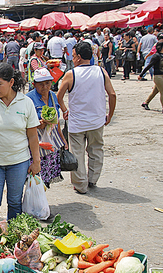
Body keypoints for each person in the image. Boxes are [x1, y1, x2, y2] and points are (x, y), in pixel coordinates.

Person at [0, 63, 41, 229]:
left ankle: (13, 236)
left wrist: (36, 161)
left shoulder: (25, 103)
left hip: (19, 162)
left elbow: (32, 135)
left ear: (11, 82)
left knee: (15, 202)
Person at [57, 41, 117, 194]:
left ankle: (81, 185)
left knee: (77, 152)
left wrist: (65, 110)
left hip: (77, 123)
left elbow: (59, 96)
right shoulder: (101, 71)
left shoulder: (71, 74)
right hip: (97, 121)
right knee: (96, 150)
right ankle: (92, 180)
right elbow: (112, 94)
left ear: (77, 57)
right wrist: (109, 114)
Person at [26, 68, 68, 187]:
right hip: (36, 145)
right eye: (41, 84)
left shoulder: (53, 96)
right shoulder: (28, 99)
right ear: (34, 84)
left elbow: (57, 120)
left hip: (50, 143)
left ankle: (41, 200)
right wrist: (39, 123)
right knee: (35, 177)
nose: (45, 87)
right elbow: (24, 123)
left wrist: (62, 139)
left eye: (47, 83)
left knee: (46, 176)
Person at [139, 41, 163, 114]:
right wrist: (141, 74)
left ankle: (145, 103)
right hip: (158, 76)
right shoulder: (156, 56)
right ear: (160, 47)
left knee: (155, 91)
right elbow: (149, 65)